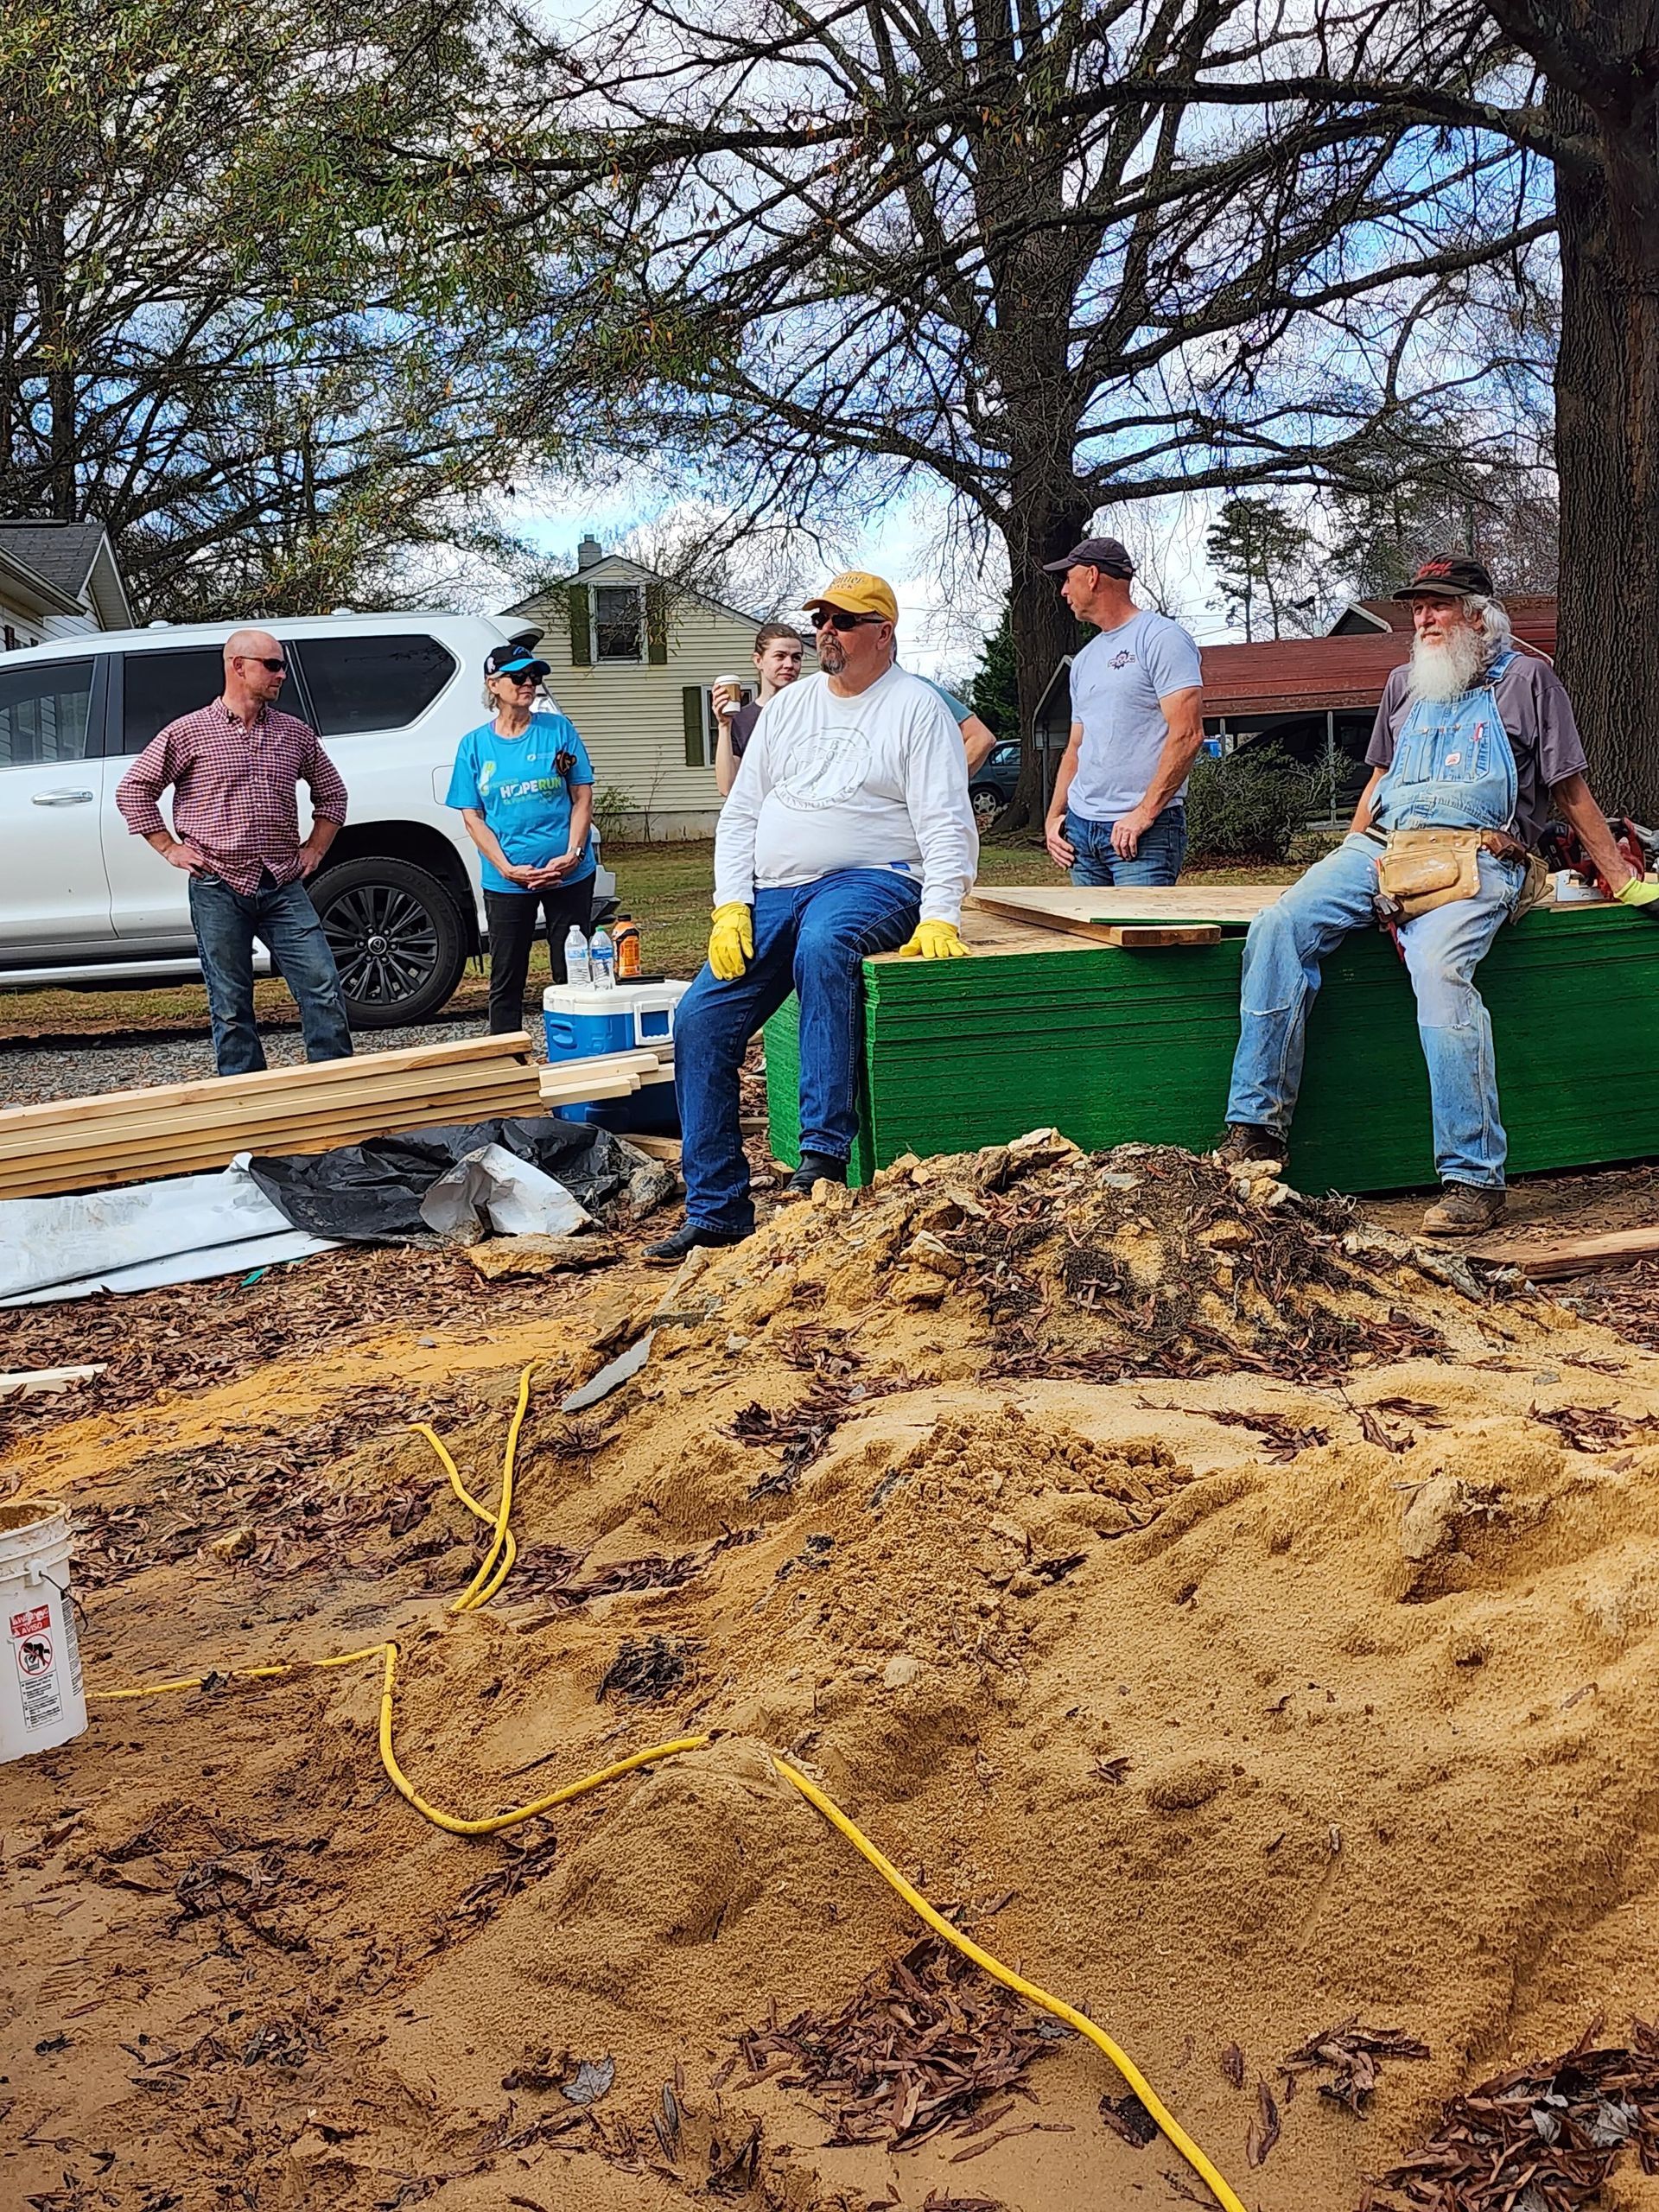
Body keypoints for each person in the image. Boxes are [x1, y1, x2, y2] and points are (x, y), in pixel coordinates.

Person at [1219, 556, 1650, 1236]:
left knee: (1440, 971)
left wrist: (1624, 881)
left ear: (1479, 614)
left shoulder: (1531, 680)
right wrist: (1347, 860)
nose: (1423, 619)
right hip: (1387, 847)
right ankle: (1256, 1127)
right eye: (1418, 607)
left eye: (1439, 606)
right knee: (1279, 924)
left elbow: (1570, 792)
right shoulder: (1403, 684)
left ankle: (1474, 1178)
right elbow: (1378, 785)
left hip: (1482, 854)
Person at [645, 569, 979, 1262]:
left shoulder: (915, 708)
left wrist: (941, 912)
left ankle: (822, 1153)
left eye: (843, 621)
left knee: (827, 944)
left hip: (876, 878)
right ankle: (715, 1210)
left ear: (882, 633)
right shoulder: (791, 708)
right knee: (701, 1015)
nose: (826, 631)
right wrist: (730, 904)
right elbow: (741, 813)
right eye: (820, 619)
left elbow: (947, 822)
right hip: (774, 889)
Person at [116, 627, 353, 1077]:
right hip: (217, 884)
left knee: (322, 985)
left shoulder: (294, 733)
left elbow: (333, 795)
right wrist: (169, 847)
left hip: (283, 883)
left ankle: (335, 1087)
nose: (282, 674)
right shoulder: (188, 732)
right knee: (230, 1003)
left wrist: (316, 850)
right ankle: (246, 1103)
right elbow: (134, 790)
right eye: (273, 665)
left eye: (282, 665)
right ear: (237, 666)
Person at [446, 642, 596, 1033]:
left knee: (575, 970)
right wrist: (508, 868)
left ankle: (577, 1050)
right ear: (493, 685)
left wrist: (573, 854)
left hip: (568, 873)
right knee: (507, 974)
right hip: (508, 881)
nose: (529, 683)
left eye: (535, 676)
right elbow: (473, 816)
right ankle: (506, 1059)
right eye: (519, 677)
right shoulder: (474, 746)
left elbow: (582, 796)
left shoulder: (557, 730)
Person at [1040, 536, 1205, 887]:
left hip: (1141, 837)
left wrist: (1144, 814)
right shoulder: (1084, 661)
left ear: (1092, 576)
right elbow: (1076, 748)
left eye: (1068, 579)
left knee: (1139, 941)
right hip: (1081, 835)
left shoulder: (1160, 638)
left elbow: (1188, 735)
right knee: (1090, 941)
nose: (1063, 592)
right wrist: (1055, 817)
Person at [713, 622, 805, 796]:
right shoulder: (740, 720)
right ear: (758, 661)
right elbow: (728, 788)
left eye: (796, 657)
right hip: (760, 818)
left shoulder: (811, 713)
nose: (789, 664)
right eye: (780, 656)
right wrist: (724, 726)